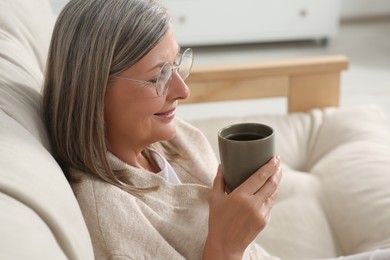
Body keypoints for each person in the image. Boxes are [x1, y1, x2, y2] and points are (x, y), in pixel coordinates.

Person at [42, 0, 282, 259]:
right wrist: (226, 247)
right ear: (87, 90)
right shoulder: (112, 222)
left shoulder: (175, 138)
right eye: (157, 77)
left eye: (175, 65)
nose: (183, 91)